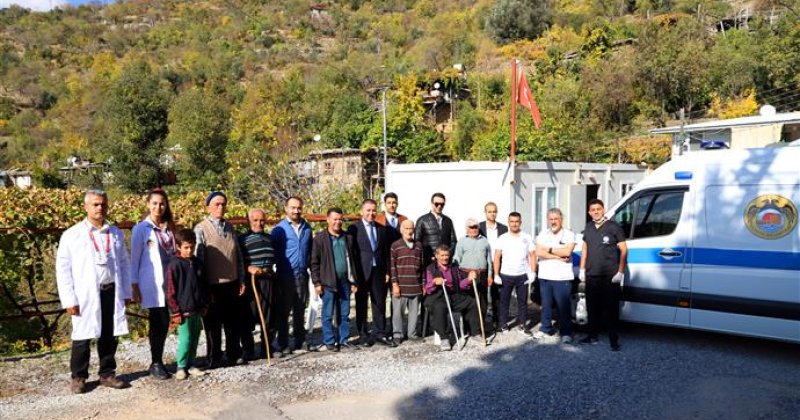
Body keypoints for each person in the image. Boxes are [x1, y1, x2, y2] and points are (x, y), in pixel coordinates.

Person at [56, 189, 132, 394]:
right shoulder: (72, 235)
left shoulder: (114, 233)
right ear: (86, 207)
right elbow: (63, 269)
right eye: (96, 204)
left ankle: (107, 374)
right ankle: (79, 377)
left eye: (103, 204)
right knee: (82, 336)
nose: (100, 208)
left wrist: (126, 292)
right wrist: (69, 299)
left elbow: (124, 264)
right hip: (85, 294)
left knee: (109, 334)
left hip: (110, 290)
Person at [194, 191, 246, 367]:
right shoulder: (201, 228)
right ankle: (214, 357)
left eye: (223, 204)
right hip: (212, 285)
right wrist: (202, 286)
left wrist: (241, 280)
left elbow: (237, 256)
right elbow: (198, 260)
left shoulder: (230, 228)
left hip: (231, 284)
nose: (220, 207)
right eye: (216, 204)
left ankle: (233, 354)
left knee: (233, 322)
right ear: (208, 206)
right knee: (212, 325)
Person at [130, 188, 175, 380]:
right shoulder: (141, 229)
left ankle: (177, 359)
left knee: (167, 321)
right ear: (148, 205)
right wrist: (134, 285)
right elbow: (135, 259)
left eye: (162, 203)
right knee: (159, 321)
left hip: (171, 282)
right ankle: (156, 362)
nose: (158, 207)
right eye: (155, 203)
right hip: (153, 283)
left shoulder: (170, 228)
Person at [579, 199, 628, 351]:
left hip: (610, 276)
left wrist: (620, 272)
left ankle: (614, 340)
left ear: (603, 210)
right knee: (592, 308)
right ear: (589, 212)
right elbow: (585, 249)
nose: (596, 212)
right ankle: (592, 336)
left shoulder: (614, 227)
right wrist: (582, 269)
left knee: (611, 309)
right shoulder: (588, 227)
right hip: (592, 275)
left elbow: (624, 250)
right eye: (592, 210)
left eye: (598, 209)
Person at [348, 198, 396, 347]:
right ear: (362, 211)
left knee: (379, 303)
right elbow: (351, 253)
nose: (371, 213)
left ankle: (380, 332)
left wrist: (388, 271)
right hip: (362, 272)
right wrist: (353, 276)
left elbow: (385, 252)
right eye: (368, 210)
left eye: (373, 210)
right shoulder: (354, 229)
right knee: (361, 304)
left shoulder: (382, 229)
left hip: (379, 272)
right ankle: (363, 334)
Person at [310, 208, 359, 352]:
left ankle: (343, 340)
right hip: (327, 282)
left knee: (344, 314)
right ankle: (329, 341)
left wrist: (354, 281)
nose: (338, 222)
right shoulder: (320, 239)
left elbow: (353, 261)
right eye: (335, 219)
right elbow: (314, 262)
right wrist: (317, 282)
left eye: (340, 219)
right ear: (328, 219)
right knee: (327, 315)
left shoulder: (348, 238)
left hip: (344, 282)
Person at [165, 229, 209, 380]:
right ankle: (181, 366)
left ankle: (191, 363)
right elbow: (170, 291)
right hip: (183, 311)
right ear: (178, 247)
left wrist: (204, 304)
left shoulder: (197, 263)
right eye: (186, 247)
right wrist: (175, 311)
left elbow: (202, 285)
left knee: (196, 337)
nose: (190, 250)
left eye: (192, 247)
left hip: (197, 309)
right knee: (186, 339)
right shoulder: (174, 265)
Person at [272, 196, 313, 355]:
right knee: (284, 310)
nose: (296, 211)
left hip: (302, 274)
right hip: (285, 275)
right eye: (293, 207)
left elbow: (309, 251)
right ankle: (282, 342)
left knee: (300, 308)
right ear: (286, 208)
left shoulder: (307, 228)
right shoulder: (279, 229)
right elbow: (274, 252)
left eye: (299, 208)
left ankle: (299, 340)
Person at [424, 244, 480, 351]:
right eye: (442, 255)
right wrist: (435, 282)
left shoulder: (453, 268)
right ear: (436, 256)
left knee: (471, 302)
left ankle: (475, 332)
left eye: (446, 255)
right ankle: (444, 338)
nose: (445, 258)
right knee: (440, 307)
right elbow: (428, 288)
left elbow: (460, 285)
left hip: (453, 295)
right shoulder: (431, 268)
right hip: (437, 296)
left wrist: (468, 279)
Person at [238, 208, 277, 359]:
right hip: (251, 281)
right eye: (255, 220)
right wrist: (249, 268)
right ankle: (248, 349)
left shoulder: (270, 238)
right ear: (249, 221)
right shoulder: (242, 239)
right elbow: (239, 261)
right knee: (248, 315)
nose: (259, 223)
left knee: (268, 316)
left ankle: (267, 347)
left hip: (268, 279)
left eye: (262, 220)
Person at [534, 208, 577, 343]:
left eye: (556, 219)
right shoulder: (542, 234)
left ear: (561, 219)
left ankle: (566, 333)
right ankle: (546, 329)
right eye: (551, 219)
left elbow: (567, 252)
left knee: (563, 306)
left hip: (562, 277)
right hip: (545, 275)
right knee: (545, 305)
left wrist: (549, 249)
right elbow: (538, 252)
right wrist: (557, 257)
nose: (553, 222)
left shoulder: (569, 234)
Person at [493, 212, 536, 335]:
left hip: (522, 275)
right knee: (504, 301)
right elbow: (497, 257)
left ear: (520, 222)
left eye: (517, 221)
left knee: (522, 302)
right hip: (506, 275)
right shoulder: (503, 238)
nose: (514, 224)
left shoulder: (527, 237)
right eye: (512, 221)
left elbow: (533, 255)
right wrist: (496, 274)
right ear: (508, 223)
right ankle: (504, 324)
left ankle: (523, 325)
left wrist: (533, 272)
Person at [453, 218, 493, 335]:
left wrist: (490, 275)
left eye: (476, 226)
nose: (474, 229)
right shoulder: (461, 242)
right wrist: (459, 277)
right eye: (471, 227)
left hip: (482, 274)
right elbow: (457, 259)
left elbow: (489, 260)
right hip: (467, 274)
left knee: (483, 302)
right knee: (469, 302)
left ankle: (480, 327)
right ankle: (469, 328)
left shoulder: (484, 241)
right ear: (467, 229)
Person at [389, 219, 424, 342]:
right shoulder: (395, 246)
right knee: (398, 313)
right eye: (406, 228)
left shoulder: (419, 245)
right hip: (401, 286)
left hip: (416, 285)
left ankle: (412, 334)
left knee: (414, 313)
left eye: (411, 228)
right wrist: (394, 284)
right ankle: (397, 335)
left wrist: (423, 284)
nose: (409, 231)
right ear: (401, 230)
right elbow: (392, 267)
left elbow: (423, 266)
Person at [478, 202, 508, 332]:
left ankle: (498, 322)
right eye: (489, 211)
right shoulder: (479, 227)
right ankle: (482, 323)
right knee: (483, 295)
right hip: (483, 264)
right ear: (485, 213)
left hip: (498, 264)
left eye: (494, 211)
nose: (492, 214)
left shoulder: (503, 228)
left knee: (497, 295)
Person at [415, 192, 457, 264]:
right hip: (429, 261)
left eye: (442, 204)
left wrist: (446, 255)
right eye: (437, 204)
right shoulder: (422, 220)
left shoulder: (448, 221)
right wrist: (429, 256)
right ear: (432, 203)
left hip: (445, 263)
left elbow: (453, 241)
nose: (439, 206)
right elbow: (417, 242)